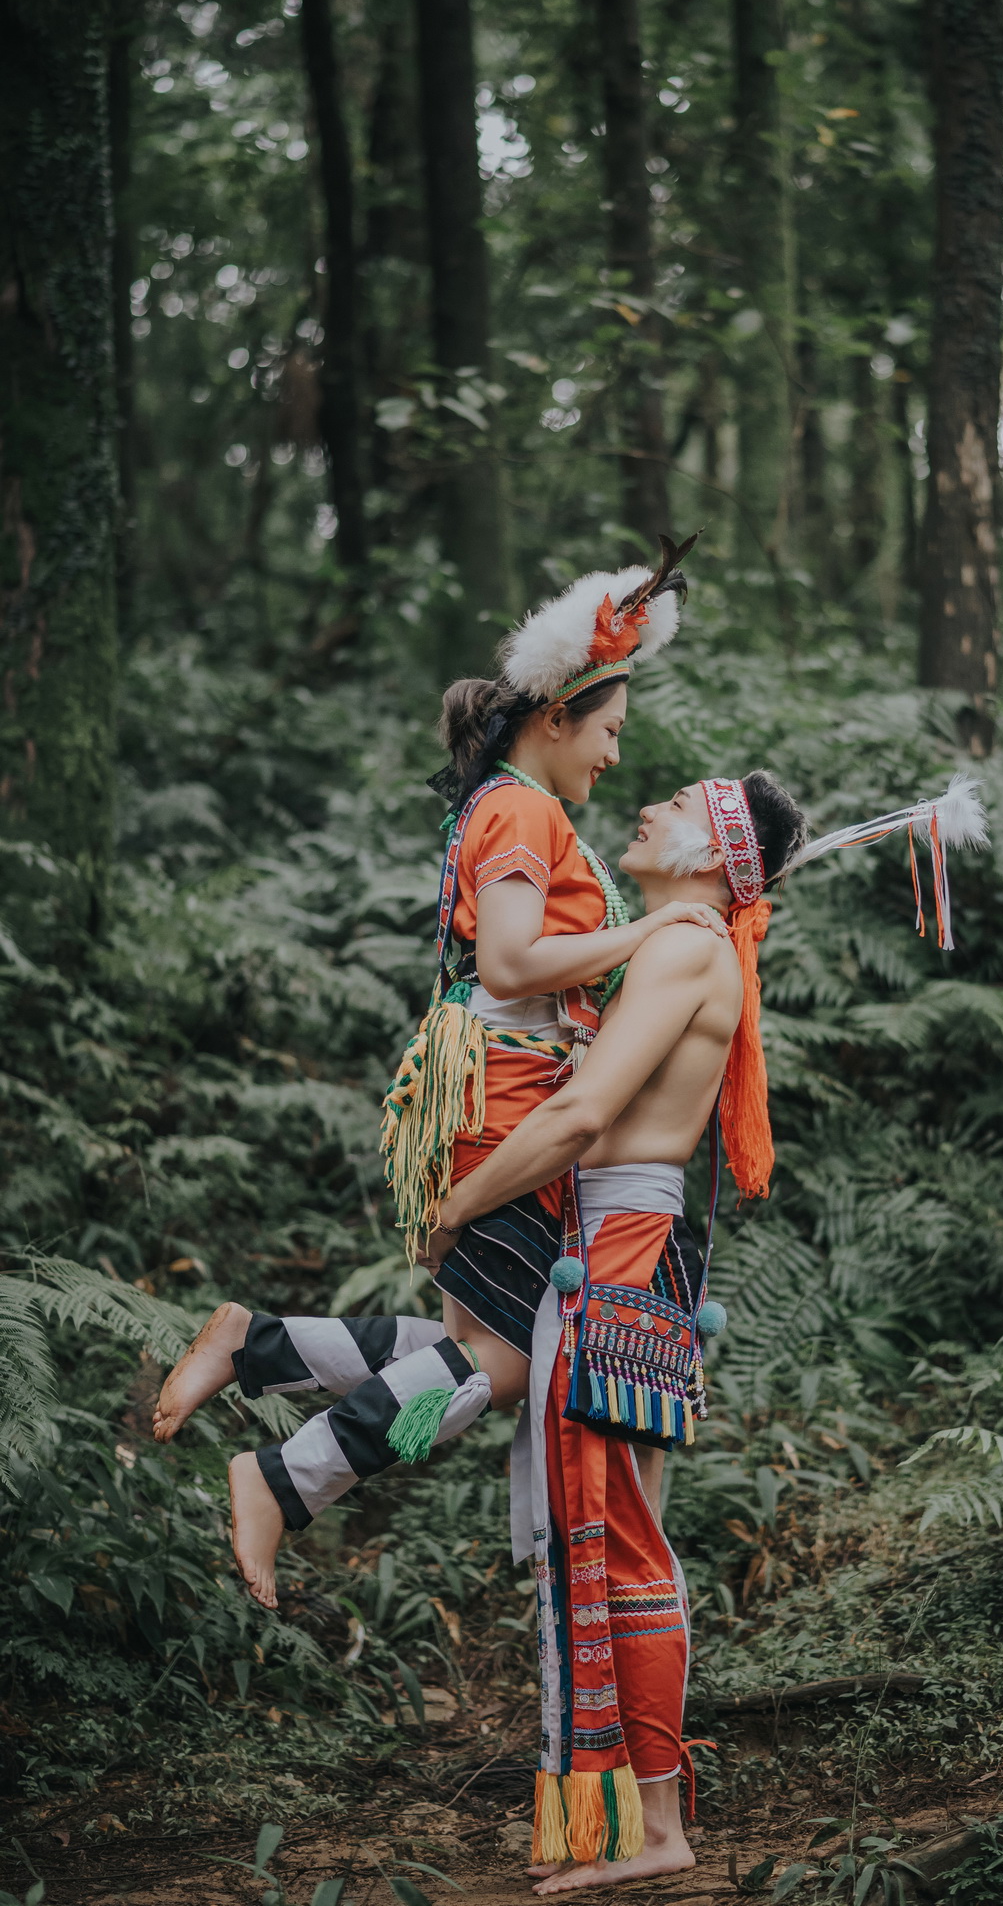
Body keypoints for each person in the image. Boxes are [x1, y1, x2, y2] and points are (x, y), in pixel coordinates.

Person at [414, 767, 987, 1893]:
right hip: (621, 1252)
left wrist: (452, 1210)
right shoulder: (676, 938)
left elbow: (582, 1116)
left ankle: (658, 1826)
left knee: (618, 1539)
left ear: (716, 855)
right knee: (609, 1530)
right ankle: (629, 1816)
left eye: (672, 804)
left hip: (616, 1253)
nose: (645, 805)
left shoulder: (683, 948)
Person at [152, 539, 728, 1605]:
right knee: (500, 1368)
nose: (612, 756)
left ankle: (259, 1348)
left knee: (472, 1352)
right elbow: (510, 961)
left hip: (504, 1086)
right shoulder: (521, 809)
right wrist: (649, 933)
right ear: (554, 717)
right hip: (509, 1095)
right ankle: (284, 1473)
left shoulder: (521, 808)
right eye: (607, 730)